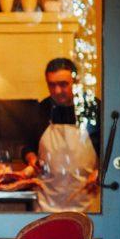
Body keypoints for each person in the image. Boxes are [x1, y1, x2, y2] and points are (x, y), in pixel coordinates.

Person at [23, 57, 101, 213]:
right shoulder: (41, 110)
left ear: (76, 81)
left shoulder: (94, 109)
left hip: (86, 202)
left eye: (63, 84)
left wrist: (101, 172)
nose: (57, 91)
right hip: (47, 203)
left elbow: (114, 152)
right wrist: (31, 158)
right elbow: (27, 146)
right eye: (52, 85)